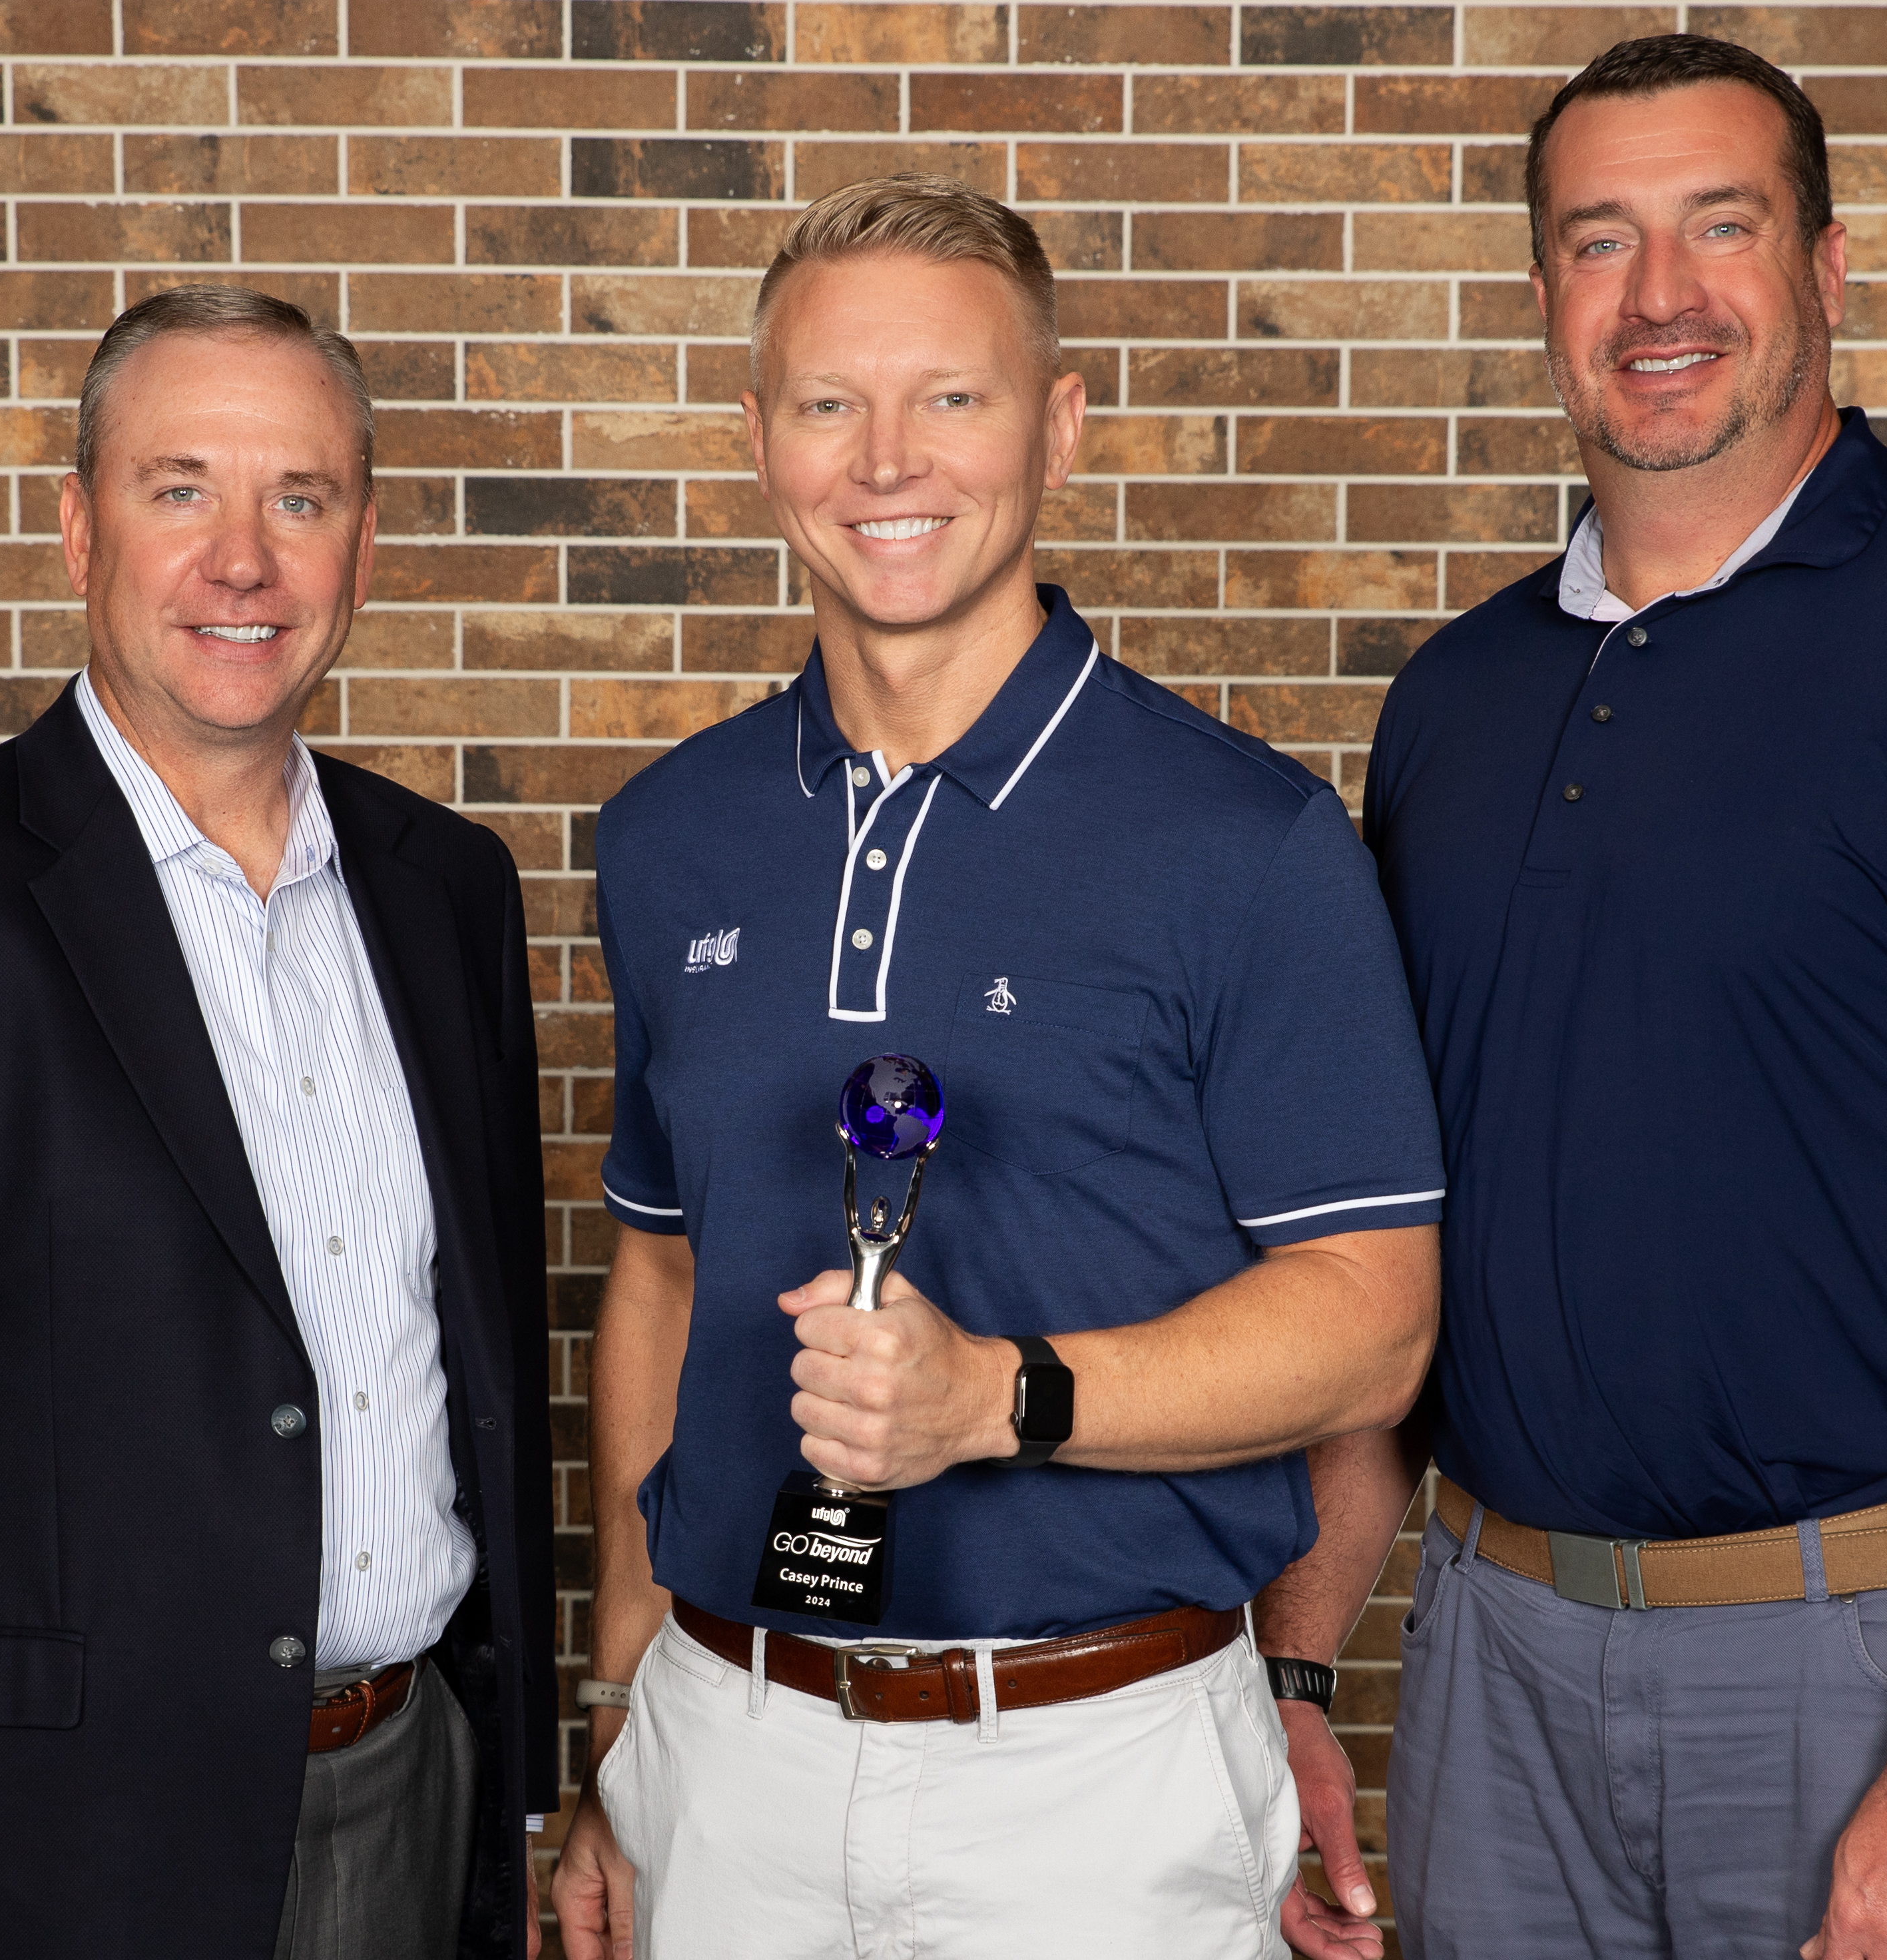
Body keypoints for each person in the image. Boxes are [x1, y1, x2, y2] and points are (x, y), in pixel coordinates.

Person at [1258, 36, 1887, 1960]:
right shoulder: (1452, 702)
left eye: (1718, 228)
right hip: (1490, 1659)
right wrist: (1290, 1674)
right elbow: (1389, 1245)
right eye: (1599, 242)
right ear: (1539, 298)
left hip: (1854, 1660)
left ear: (1826, 266)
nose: (1659, 296)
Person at [545, 174, 1444, 1960]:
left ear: (1057, 427)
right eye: (827, 403)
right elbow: (658, 1267)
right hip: (729, 1753)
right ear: (755, 439)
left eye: (948, 398)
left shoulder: (1245, 844)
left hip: (1095, 1777)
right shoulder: (668, 839)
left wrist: (999, 1402)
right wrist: (622, 1692)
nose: (887, 459)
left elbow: (1374, 1317)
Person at [0, 284, 554, 1960]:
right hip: (51, 1847)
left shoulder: (449, 889)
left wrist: (513, 1794)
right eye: (180, 489)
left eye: (298, 498)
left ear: (362, 545)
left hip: (415, 1794)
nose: (243, 559)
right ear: (78, 526)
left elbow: (485, 1366)